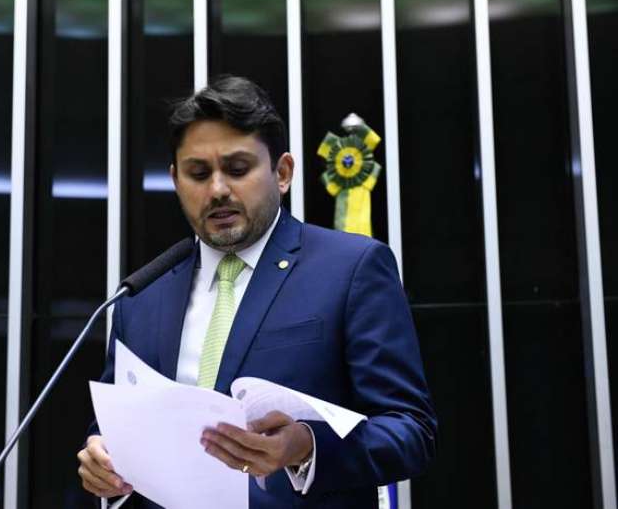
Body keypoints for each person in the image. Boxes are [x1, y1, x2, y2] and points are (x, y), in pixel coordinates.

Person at [77, 75, 437, 508]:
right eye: (198, 173)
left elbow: (409, 430)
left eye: (238, 169)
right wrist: (100, 456)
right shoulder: (141, 293)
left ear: (282, 173)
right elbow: (112, 426)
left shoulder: (352, 269)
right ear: (176, 180)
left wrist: (307, 447)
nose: (218, 190)